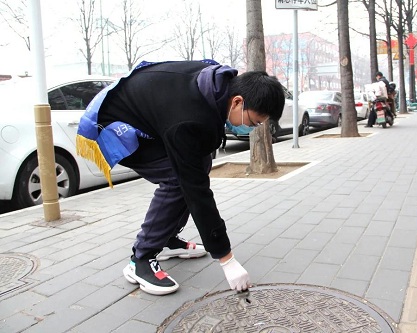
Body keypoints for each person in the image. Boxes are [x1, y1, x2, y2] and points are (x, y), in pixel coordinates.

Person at [76, 60, 285, 295]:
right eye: (254, 122)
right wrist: (226, 258)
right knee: (178, 179)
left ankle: (167, 237)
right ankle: (141, 258)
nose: (253, 128)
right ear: (237, 101)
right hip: (113, 123)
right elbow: (196, 189)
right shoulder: (189, 118)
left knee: (199, 163)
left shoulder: (218, 85)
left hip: (151, 114)